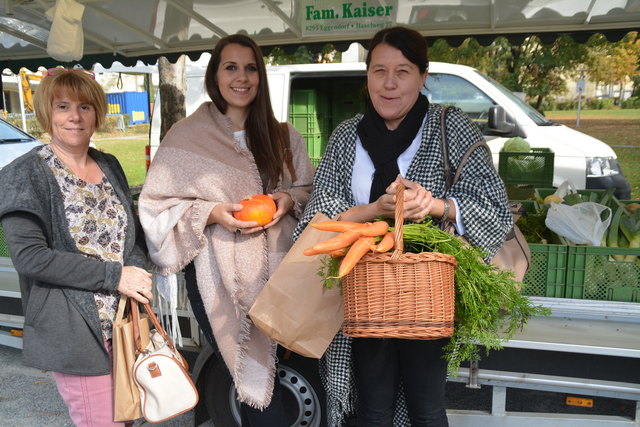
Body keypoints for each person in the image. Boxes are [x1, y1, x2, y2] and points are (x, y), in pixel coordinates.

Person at [293, 26, 513, 427]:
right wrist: (371, 210)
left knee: (426, 409)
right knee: (371, 409)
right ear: (367, 77)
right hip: (363, 294)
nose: (389, 84)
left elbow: (493, 206)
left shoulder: (450, 128)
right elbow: (318, 213)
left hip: (426, 294)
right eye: (379, 71)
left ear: (423, 76)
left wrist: (436, 206)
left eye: (403, 71)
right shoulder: (346, 137)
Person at [138, 34, 315, 425]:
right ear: (215, 75)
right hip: (218, 280)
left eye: (251, 68)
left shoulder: (284, 136)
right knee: (249, 385)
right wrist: (212, 212)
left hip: (281, 278)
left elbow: (308, 189)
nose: (242, 77)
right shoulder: (185, 137)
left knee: (288, 375)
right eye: (231, 67)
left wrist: (286, 200)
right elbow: (155, 205)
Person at [0, 68, 152, 426]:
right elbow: (30, 258)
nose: (74, 116)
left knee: (127, 417)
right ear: (45, 113)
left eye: (85, 106)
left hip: (123, 323)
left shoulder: (108, 164)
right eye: (63, 106)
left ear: (97, 112)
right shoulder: (24, 174)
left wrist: (136, 271)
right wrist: (115, 276)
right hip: (75, 330)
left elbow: (129, 235)